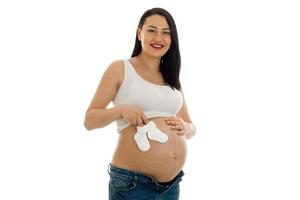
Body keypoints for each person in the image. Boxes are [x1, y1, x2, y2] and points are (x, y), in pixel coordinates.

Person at [84, 7, 196, 200]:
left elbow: (191, 128)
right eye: (152, 30)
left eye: (166, 33)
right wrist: (120, 111)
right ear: (139, 33)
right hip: (133, 184)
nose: (158, 38)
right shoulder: (120, 69)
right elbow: (89, 120)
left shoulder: (172, 79)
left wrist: (186, 127)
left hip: (172, 185)